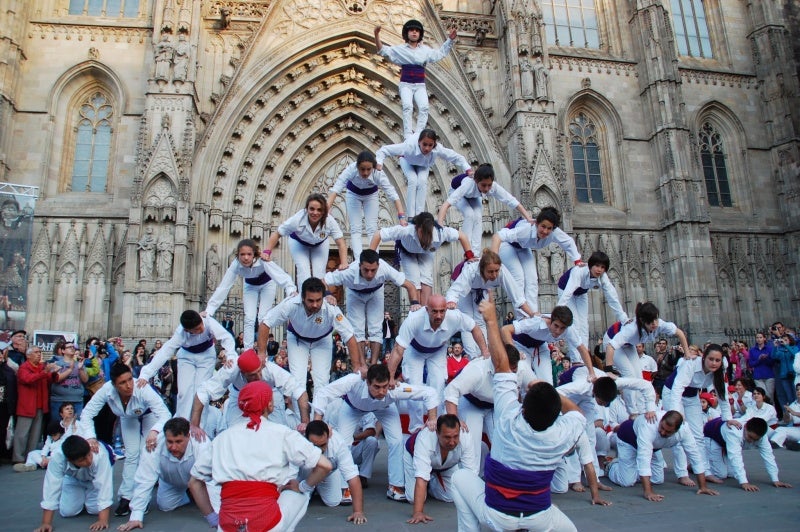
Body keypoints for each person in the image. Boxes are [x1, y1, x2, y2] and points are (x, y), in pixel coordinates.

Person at [450, 292, 609, 532]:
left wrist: (492, 321)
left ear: (523, 407)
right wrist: (549, 391)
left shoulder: (507, 419)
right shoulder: (562, 434)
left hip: (497, 516)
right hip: (538, 516)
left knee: (460, 478)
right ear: (555, 414)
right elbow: (576, 411)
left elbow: (502, 366)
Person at [190, 380, 333, 532]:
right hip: (266, 522)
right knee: (299, 494)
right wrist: (303, 486)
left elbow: (194, 482)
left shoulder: (222, 438)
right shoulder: (282, 433)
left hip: (228, 524)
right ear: (270, 405)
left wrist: (212, 517)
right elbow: (325, 465)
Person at [312, 364, 440, 503]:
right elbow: (323, 393)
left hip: (384, 407)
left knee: (397, 440)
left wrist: (432, 418)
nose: (382, 391)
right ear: (367, 382)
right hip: (352, 408)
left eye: (384, 386)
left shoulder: (394, 389)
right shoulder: (353, 380)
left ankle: (395, 486)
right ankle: (345, 487)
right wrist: (317, 423)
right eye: (377, 387)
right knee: (344, 442)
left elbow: (430, 393)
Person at [79, 363, 172, 517]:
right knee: (131, 455)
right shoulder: (106, 390)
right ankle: (126, 495)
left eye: (129, 379)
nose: (129, 385)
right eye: (122, 383)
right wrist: (90, 437)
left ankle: (143, 498)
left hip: (150, 416)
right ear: (114, 384)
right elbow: (87, 414)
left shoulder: (142, 387)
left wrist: (155, 431)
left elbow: (165, 414)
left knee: (146, 453)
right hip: (127, 417)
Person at [387, 294, 490, 432]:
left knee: (439, 384)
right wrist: (390, 377)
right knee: (414, 385)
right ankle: (416, 427)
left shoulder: (455, 317)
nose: (439, 316)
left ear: (446, 309)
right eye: (434, 311)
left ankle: (439, 422)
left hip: (438, 350)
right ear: (426, 310)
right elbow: (398, 350)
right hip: (414, 350)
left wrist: (485, 351)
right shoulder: (414, 319)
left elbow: (474, 327)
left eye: (442, 311)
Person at [556, 365, 657, 491]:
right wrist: (573, 411)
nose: (604, 405)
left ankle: (594, 478)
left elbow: (645, 385)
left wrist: (651, 408)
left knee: (590, 436)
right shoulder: (581, 385)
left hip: (590, 393)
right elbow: (556, 392)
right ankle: (574, 479)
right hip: (567, 392)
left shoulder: (614, 383)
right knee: (574, 435)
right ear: (597, 395)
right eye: (602, 403)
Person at [258, 277, 362, 396]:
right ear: (302, 297)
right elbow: (266, 323)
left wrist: (357, 366)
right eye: (310, 300)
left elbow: (349, 335)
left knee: (322, 382)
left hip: (322, 341)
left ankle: (318, 414)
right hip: (297, 340)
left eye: (318, 300)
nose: (315, 304)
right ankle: (301, 415)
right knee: (297, 382)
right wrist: (261, 353)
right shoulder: (291, 304)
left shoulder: (331, 308)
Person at [117, 417, 218, 531]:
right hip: (171, 481)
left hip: (200, 482)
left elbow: (212, 477)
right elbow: (144, 480)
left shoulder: (202, 442)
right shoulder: (153, 445)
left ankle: (196, 493)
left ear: (188, 436)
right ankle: (189, 494)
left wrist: (215, 516)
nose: (173, 447)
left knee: (216, 506)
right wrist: (136, 517)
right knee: (165, 506)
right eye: (169, 441)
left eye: (178, 441)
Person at [324, 249, 419, 366]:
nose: (369, 274)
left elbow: (410, 286)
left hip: (376, 292)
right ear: (359, 266)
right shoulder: (348, 272)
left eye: (373, 270)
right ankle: (362, 365)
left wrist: (415, 302)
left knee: (376, 328)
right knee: (357, 329)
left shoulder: (385, 268)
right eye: (366, 270)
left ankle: (374, 364)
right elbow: (323, 281)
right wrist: (328, 294)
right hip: (354, 294)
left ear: (378, 266)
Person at [136, 309, 236, 419]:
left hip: (207, 356)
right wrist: (146, 373)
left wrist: (230, 355)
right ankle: (182, 422)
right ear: (187, 330)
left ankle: (199, 425)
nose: (202, 329)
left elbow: (226, 337)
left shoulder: (208, 321)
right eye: (197, 329)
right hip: (186, 357)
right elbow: (165, 352)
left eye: (201, 325)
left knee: (202, 392)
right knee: (183, 392)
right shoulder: (180, 333)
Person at [443, 349, 535, 466]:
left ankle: (502, 476)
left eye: (513, 371)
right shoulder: (477, 370)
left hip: (496, 405)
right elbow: (451, 390)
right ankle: (470, 476)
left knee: (506, 441)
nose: (510, 374)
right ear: (496, 365)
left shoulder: (522, 368)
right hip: (470, 403)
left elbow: (537, 387)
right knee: (472, 446)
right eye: (506, 371)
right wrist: (454, 420)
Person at [190, 349, 310, 437]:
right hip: (239, 396)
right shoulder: (231, 369)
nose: (258, 376)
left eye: (259, 372)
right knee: (236, 431)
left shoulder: (270, 369)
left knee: (277, 433)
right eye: (252, 375)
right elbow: (203, 392)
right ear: (242, 372)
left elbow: (299, 391)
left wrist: (305, 422)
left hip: (270, 395)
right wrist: (194, 425)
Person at [204, 238, 297, 350]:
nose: (246, 258)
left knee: (263, 317)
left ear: (254, 254)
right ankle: (248, 351)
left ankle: (262, 351)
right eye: (242, 254)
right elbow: (223, 287)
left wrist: (291, 290)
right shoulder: (235, 265)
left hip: (267, 284)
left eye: (249, 254)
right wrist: (209, 310)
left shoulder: (262, 260)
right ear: (238, 255)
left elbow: (279, 274)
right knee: (249, 318)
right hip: (250, 286)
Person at [606, 411, 719, 502]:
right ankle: (610, 465)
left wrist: (703, 486)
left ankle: (627, 467)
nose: (663, 433)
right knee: (626, 482)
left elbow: (695, 456)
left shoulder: (684, 430)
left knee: (657, 479)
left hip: (654, 447)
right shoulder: (649, 425)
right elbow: (644, 458)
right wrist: (648, 492)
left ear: (677, 430)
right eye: (662, 428)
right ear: (661, 421)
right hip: (628, 439)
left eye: (668, 432)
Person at [662, 343, 732, 484]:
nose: (714, 363)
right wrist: (676, 413)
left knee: (698, 435)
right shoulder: (691, 364)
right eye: (711, 359)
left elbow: (722, 393)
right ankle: (682, 474)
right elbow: (677, 388)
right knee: (679, 432)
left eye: (717, 360)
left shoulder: (720, 370)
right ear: (704, 357)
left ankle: (704, 470)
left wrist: (728, 418)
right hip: (672, 393)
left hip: (693, 396)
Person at [374, 20, 457, 138]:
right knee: (407, 106)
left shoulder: (425, 50)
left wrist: (450, 40)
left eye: (417, 31)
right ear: (406, 33)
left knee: (424, 107)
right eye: (411, 30)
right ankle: (408, 135)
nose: (414, 33)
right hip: (406, 84)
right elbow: (382, 50)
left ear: (420, 34)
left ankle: (418, 134)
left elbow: (440, 54)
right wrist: (376, 35)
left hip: (419, 85)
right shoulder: (400, 49)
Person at [490, 206, 582, 313]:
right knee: (518, 277)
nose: (545, 231)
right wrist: (493, 260)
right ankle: (521, 316)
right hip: (506, 244)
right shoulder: (526, 229)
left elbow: (568, 242)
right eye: (543, 226)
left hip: (523, 247)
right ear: (537, 223)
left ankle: (533, 314)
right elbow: (498, 236)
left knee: (532, 279)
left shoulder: (554, 233)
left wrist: (577, 260)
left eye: (549, 228)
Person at [370, 211, 473, 305]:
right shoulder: (406, 230)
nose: (425, 236)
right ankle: (416, 310)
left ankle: (425, 311)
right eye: (422, 232)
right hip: (407, 252)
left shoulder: (441, 233)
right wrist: (370, 258)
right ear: (416, 228)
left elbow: (462, 236)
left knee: (427, 279)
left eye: (428, 233)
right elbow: (378, 234)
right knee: (414, 281)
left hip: (426, 253)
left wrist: (470, 256)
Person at [445, 250, 534, 358]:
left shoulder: (502, 272)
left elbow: (517, 296)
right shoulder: (471, 270)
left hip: (483, 289)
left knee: (481, 320)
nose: (494, 275)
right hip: (463, 288)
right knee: (467, 320)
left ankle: (483, 354)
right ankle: (472, 356)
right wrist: (451, 302)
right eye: (490, 272)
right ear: (482, 269)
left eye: (496, 271)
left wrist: (532, 314)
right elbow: (454, 291)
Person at [604, 302, 690, 409]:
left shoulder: (659, 324)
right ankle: (632, 411)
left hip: (629, 344)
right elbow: (610, 346)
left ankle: (641, 408)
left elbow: (680, 333)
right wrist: (608, 370)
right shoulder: (632, 329)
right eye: (650, 322)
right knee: (630, 375)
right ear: (642, 321)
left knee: (639, 377)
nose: (654, 324)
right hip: (611, 341)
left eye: (655, 320)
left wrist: (687, 354)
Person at [376, 129, 472, 217]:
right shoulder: (409, 146)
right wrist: (379, 162)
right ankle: (411, 216)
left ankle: (419, 215)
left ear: (434, 144)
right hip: (407, 161)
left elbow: (455, 156)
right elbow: (385, 149)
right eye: (424, 144)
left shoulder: (437, 149)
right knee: (413, 180)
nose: (427, 148)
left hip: (423, 165)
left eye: (430, 145)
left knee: (422, 181)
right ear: (419, 142)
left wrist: (467, 168)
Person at [437, 163, 533, 251]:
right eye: (483, 185)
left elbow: (511, 200)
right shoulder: (468, 184)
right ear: (476, 181)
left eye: (489, 185)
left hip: (475, 196)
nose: (487, 189)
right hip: (456, 191)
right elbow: (446, 204)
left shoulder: (492, 187)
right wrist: (440, 225)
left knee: (478, 216)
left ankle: (476, 252)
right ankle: (467, 250)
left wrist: (528, 217)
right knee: (469, 214)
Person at [403, 414, 479, 524]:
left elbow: (471, 475)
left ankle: (430, 484)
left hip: (446, 465)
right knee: (412, 498)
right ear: (437, 433)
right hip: (412, 455)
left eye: (455, 436)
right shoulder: (425, 438)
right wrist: (418, 512)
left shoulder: (466, 435)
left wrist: (475, 507)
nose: (452, 442)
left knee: (450, 497)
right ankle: (422, 481)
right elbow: (421, 478)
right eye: (447, 437)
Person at [327, 150, 405, 257]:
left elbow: (392, 194)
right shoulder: (351, 169)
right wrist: (327, 208)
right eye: (362, 169)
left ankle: (373, 257)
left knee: (372, 228)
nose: (365, 173)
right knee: (355, 228)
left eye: (369, 169)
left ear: (373, 167)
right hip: (353, 194)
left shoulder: (378, 173)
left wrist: (401, 216)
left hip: (371, 195)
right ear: (357, 166)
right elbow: (337, 188)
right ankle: (359, 260)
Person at [264, 192, 348, 287]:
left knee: (319, 273)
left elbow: (341, 243)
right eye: (312, 209)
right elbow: (277, 233)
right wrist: (267, 252)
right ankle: (303, 299)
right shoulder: (297, 219)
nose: (315, 213)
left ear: (324, 211)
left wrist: (344, 263)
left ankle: (320, 298)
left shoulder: (330, 221)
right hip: (299, 243)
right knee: (303, 271)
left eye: (319, 210)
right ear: (306, 208)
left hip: (320, 244)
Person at [35, 435, 113, 532]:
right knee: (67, 512)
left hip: (94, 480)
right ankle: (78, 495)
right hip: (73, 479)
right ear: (70, 460)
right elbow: (51, 486)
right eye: (82, 460)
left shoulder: (100, 454)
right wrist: (46, 523)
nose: (88, 461)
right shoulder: (58, 458)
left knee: (95, 510)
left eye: (89, 455)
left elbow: (104, 486)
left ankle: (87, 497)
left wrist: (103, 520)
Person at [501, 306, 597, 383]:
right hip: (520, 345)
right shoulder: (536, 322)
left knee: (547, 383)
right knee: (524, 379)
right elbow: (505, 330)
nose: (558, 331)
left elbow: (582, 349)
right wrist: (514, 352)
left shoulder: (569, 330)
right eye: (556, 325)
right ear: (551, 321)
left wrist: (592, 373)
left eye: (562, 328)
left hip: (541, 347)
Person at [556, 251, 628, 347]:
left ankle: (584, 353)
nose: (599, 270)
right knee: (575, 323)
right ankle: (576, 358)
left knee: (584, 325)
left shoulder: (603, 278)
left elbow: (612, 297)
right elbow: (568, 293)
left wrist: (624, 319)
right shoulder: (579, 271)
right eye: (597, 266)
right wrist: (557, 312)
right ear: (591, 265)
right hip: (565, 289)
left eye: (602, 267)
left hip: (581, 293)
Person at [703, 416, 792, 491]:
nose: (751, 441)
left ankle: (715, 458)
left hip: (727, 442)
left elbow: (769, 456)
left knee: (731, 474)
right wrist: (744, 482)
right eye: (750, 437)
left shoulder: (762, 436)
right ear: (745, 427)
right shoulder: (734, 432)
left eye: (755, 439)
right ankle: (701, 468)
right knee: (721, 474)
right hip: (712, 434)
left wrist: (775, 479)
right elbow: (735, 457)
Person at [303, 420, 367, 524]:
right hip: (305, 472)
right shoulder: (298, 440)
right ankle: (308, 489)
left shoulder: (339, 443)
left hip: (327, 474)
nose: (319, 450)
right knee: (299, 501)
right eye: (315, 445)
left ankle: (317, 487)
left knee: (333, 501)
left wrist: (358, 511)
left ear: (328, 437)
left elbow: (353, 477)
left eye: (323, 445)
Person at [14, 346, 58, 464]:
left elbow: (50, 379)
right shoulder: (24, 368)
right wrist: (45, 372)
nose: (39, 354)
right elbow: (28, 379)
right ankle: (18, 457)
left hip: (39, 405)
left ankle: (31, 456)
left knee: (35, 434)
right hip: (27, 405)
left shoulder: (41, 367)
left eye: (39, 352)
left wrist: (54, 373)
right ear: (28, 356)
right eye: (36, 352)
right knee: (22, 434)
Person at [49, 340, 88, 418]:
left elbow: (85, 380)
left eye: (73, 347)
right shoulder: (57, 364)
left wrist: (80, 369)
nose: (72, 348)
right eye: (69, 347)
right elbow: (57, 379)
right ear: (63, 351)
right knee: (57, 426)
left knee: (76, 427)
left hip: (76, 400)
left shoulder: (79, 364)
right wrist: (70, 369)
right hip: (59, 400)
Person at [771, 334, 797, 414]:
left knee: (796, 394)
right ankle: (791, 414)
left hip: (793, 374)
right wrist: (775, 347)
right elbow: (773, 356)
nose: (784, 341)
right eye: (783, 340)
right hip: (784, 375)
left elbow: (795, 355)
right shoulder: (780, 350)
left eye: (786, 340)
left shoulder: (794, 348)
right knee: (789, 396)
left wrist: (787, 346)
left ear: (790, 340)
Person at [770, 383, 800, 449]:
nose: (799, 391)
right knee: (781, 429)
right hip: (797, 430)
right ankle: (775, 443)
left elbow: (794, 413)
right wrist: (786, 412)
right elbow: (787, 421)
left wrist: (794, 413)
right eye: (797, 390)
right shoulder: (793, 405)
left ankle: (797, 445)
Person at [748, 331, 775, 403]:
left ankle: (772, 411)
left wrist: (766, 358)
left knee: (770, 395)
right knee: (763, 395)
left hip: (769, 375)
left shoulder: (769, 349)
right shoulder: (752, 350)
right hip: (758, 376)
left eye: (760, 337)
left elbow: (772, 362)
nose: (759, 339)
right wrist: (759, 359)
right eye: (757, 337)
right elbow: (750, 363)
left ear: (764, 339)